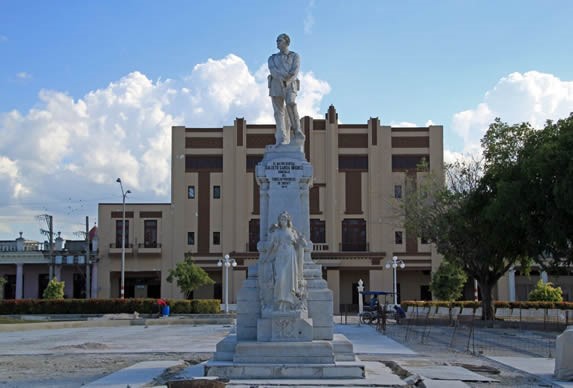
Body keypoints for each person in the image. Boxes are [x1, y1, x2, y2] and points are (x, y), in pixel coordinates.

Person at [261, 211, 307, 312]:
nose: (283, 221)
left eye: (285, 219)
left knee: (290, 280)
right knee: (280, 278)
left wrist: (302, 241)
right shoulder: (277, 232)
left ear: (288, 220)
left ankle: (288, 303)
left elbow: (299, 243)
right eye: (281, 219)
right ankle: (279, 301)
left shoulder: (292, 232)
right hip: (280, 256)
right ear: (279, 221)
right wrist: (266, 257)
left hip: (290, 255)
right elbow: (271, 246)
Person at [268, 33, 305, 146]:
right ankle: (282, 137)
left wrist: (287, 80)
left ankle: (297, 130)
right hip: (276, 84)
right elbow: (273, 70)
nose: (277, 43)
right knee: (278, 112)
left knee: (291, 104)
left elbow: (295, 70)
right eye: (277, 41)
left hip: (290, 84)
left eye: (280, 40)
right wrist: (281, 79)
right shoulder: (272, 58)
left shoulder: (295, 56)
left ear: (286, 42)